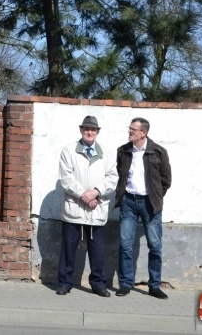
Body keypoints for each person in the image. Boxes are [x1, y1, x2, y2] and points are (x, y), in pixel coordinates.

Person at [55, 115, 118, 297]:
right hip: (75, 206)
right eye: (86, 129)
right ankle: (65, 283)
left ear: (97, 132)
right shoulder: (69, 151)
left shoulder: (106, 152)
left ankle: (98, 283)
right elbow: (66, 178)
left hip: (96, 207)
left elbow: (112, 178)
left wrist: (96, 192)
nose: (89, 132)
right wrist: (84, 195)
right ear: (81, 130)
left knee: (97, 249)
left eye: (93, 130)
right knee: (68, 247)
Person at [115, 117, 172, 299]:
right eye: (129, 128)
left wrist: (155, 196)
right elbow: (120, 173)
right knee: (125, 245)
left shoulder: (158, 152)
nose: (129, 131)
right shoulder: (123, 151)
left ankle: (154, 285)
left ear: (143, 133)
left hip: (150, 203)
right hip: (128, 202)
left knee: (155, 246)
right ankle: (125, 283)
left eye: (133, 129)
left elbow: (166, 180)